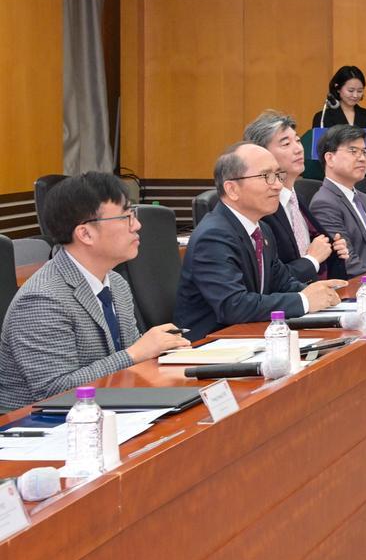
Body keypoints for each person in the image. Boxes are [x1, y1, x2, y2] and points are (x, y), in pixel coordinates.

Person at [0, 173, 191, 411]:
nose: (137, 225)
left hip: (109, 407)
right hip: (41, 423)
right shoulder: (42, 299)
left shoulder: (116, 283)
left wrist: (163, 351)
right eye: (126, 217)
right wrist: (135, 353)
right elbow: (54, 391)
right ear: (85, 234)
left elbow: (131, 358)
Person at [174, 145, 345, 341]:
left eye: (278, 175)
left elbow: (282, 283)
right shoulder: (213, 236)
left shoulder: (262, 229)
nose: (278, 185)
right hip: (209, 344)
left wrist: (318, 292)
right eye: (266, 176)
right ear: (232, 189)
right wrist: (304, 300)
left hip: (249, 336)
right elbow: (233, 305)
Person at [243, 109, 348, 282]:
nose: (298, 149)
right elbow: (270, 277)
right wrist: (312, 259)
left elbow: (315, 252)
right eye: (286, 144)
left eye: (298, 141)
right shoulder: (260, 210)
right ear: (261, 154)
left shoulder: (298, 199)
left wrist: (333, 252)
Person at [310, 125, 366, 276]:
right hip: (364, 283)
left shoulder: (365, 199)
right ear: (330, 158)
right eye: (353, 151)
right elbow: (348, 264)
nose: (362, 158)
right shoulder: (324, 203)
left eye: (364, 152)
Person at [314, 65, 366, 129]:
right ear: (338, 88)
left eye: (359, 91)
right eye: (351, 90)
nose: (355, 95)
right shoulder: (323, 117)